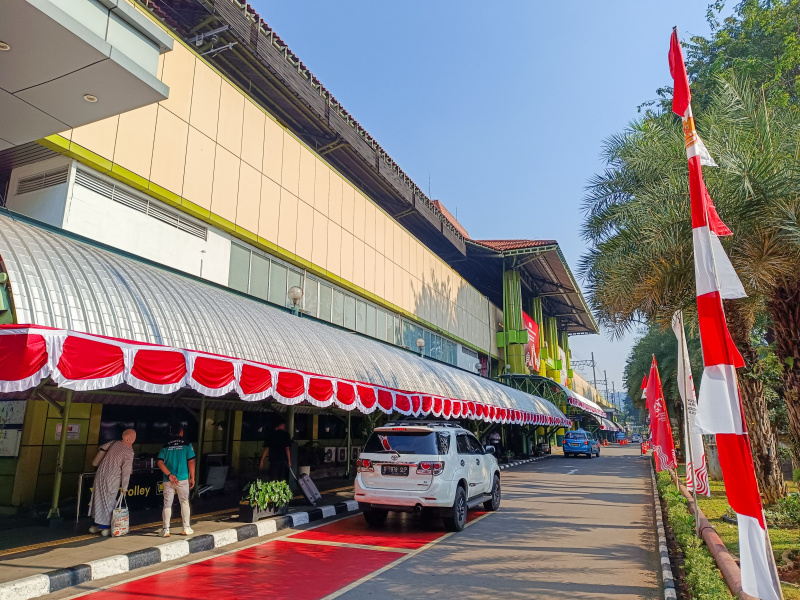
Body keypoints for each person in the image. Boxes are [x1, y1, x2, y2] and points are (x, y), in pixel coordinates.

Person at [89, 429, 136, 536]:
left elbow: (101, 449)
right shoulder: (128, 452)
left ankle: (97, 524)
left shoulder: (114, 443)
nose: (134, 440)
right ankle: (106, 526)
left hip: (100, 475)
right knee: (109, 501)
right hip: (112, 478)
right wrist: (125, 488)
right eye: (134, 438)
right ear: (129, 439)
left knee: (98, 499)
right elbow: (126, 471)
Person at [156, 423, 195, 537]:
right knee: (184, 502)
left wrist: (169, 475)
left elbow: (159, 461)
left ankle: (165, 530)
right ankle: (186, 528)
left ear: (170, 432)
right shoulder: (187, 444)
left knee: (167, 504)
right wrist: (192, 477)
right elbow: (191, 461)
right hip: (182, 479)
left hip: (168, 480)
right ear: (181, 432)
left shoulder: (165, 446)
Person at [260, 419, 292, 483]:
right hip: (283, 459)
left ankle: (273, 490)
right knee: (281, 477)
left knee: (273, 476)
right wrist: (289, 461)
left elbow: (266, 448)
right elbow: (287, 449)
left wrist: (262, 460)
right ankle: (280, 490)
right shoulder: (285, 434)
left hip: (274, 459)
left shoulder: (270, 434)